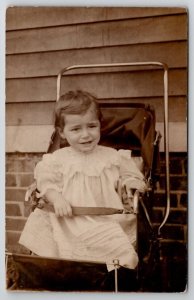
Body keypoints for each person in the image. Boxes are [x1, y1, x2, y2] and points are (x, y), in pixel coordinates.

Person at [19, 90, 146, 273]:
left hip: (105, 217)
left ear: (99, 126)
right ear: (62, 133)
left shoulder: (113, 157)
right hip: (68, 218)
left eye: (91, 126)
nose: (86, 135)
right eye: (76, 129)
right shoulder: (57, 159)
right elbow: (46, 182)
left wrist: (131, 184)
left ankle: (110, 279)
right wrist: (57, 199)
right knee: (51, 236)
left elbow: (131, 175)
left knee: (119, 247)